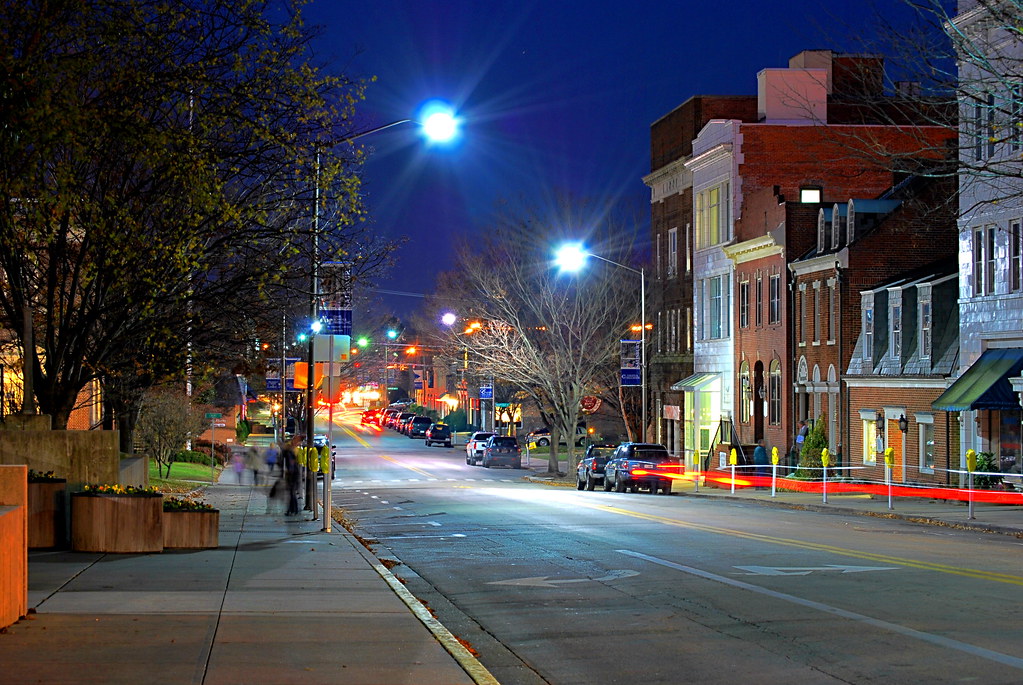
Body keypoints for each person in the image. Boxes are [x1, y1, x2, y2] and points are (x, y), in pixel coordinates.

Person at [282, 437, 301, 516]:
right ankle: (293, 509)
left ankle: (293, 510)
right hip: (293, 475)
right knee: (291, 494)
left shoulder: (289, 453)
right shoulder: (290, 453)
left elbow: (291, 466)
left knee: (291, 494)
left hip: (292, 476)